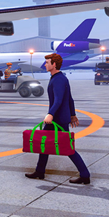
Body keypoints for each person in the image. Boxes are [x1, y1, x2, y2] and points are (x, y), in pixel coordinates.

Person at [25, 53, 91, 184]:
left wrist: (51, 114)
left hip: (58, 119)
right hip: (60, 117)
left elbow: (59, 100)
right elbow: (70, 98)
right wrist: (72, 115)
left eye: (48, 62)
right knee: (44, 142)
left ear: (54, 64)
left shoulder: (58, 79)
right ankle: (40, 171)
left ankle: (85, 174)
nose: (45, 65)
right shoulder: (59, 78)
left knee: (67, 147)